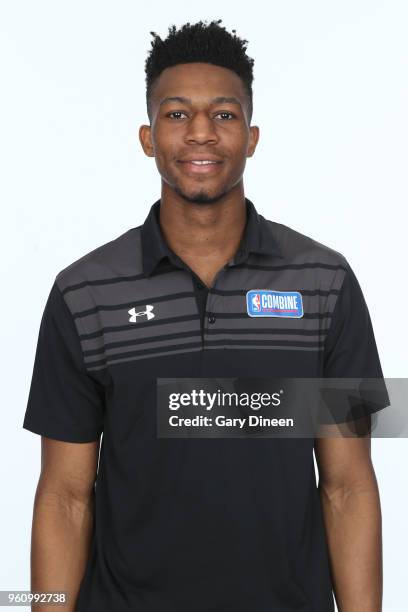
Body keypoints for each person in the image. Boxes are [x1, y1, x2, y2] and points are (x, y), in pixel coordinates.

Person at [23, 19, 389, 612]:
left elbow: (347, 487)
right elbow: (64, 497)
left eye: (223, 114)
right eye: (176, 114)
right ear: (147, 137)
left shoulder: (324, 285)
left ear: (252, 136)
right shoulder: (85, 294)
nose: (201, 134)